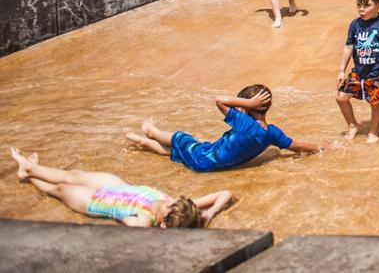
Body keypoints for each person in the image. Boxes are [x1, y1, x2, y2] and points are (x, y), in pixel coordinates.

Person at [10, 148, 231, 228]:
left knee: (58, 189)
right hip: (115, 185)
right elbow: (225, 194)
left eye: (167, 207)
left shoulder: (143, 221)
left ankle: (28, 174)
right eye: (173, 202)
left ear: (163, 224)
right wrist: (209, 213)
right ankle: (31, 168)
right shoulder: (179, 207)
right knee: (72, 175)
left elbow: (132, 233)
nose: (167, 202)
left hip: (96, 201)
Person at [124, 85, 324, 170]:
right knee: (176, 152)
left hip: (204, 157)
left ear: (246, 107)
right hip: (213, 165)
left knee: (180, 138)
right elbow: (296, 146)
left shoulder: (245, 123)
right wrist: (321, 147)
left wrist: (249, 103)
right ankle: (143, 142)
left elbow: (219, 100)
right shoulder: (272, 133)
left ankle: (151, 132)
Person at [336, 0, 379, 144]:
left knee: (375, 104)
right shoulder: (355, 24)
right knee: (341, 98)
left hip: (378, 74)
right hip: (358, 72)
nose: (361, 9)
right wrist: (341, 70)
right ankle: (353, 125)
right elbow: (348, 47)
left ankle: (373, 131)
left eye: (367, 5)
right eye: (358, 5)